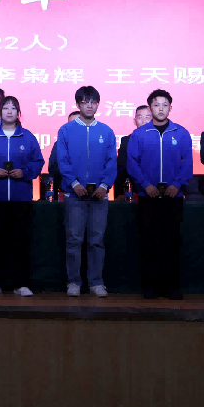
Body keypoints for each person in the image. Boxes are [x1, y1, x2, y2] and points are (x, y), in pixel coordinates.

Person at [0, 96, 45, 296]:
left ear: (18, 112)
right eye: (6, 108)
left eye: (13, 108)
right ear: (0, 111)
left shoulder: (28, 137)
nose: (9, 111)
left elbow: (38, 161)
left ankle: (21, 283)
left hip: (21, 198)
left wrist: (25, 172)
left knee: (20, 241)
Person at [127, 89, 193, 300]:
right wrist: (145, 185)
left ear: (170, 108)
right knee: (149, 242)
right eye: (156, 105)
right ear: (150, 108)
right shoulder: (140, 134)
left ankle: (171, 287)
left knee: (172, 242)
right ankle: (151, 287)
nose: (161, 109)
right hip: (148, 197)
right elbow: (132, 163)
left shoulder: (181, 133)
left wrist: (177, 185)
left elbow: (188, 164)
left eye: (165, 105)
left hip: (173, 197)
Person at [56, 86, 117, 297]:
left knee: (96, 241)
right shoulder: (66, 130)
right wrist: (74, 183)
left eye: (93, 102)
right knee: (74, 240)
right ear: (78, 104)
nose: (89, 106)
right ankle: (73, 282)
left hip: (99, 195)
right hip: (74, 195)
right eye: (84, 102)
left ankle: (96, 282)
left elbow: (111, 162)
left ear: (98, 104)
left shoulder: (106, 131)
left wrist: (104, 186)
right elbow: (63, 160)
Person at [114, 105, 152, 200]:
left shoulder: (161, 139)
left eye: (147, 117)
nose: (144, 120)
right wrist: (119, 193)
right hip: (135, 192)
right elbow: (121, 169)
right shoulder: (126, 141)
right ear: (135, 121)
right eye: (140, 117)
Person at [47, 110, 81, 197]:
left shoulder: (95, 142)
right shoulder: (59, 144)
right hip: (67, 191)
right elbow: (53, 168)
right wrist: (72, 181)